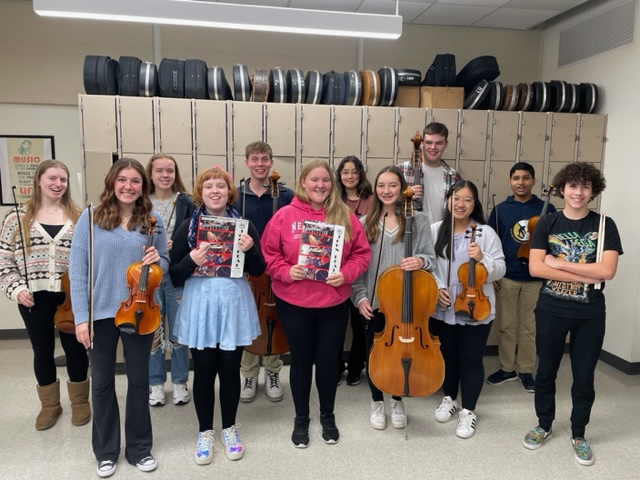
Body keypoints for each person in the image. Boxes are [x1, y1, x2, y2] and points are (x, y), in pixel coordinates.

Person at [261, 159, 370, 448]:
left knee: (326, 361)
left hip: (332, 303)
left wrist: (346, 274)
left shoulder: (345, 215)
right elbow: (268, 254)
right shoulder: (285, 215)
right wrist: (286, 271)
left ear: (331, 184)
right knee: (300, 361)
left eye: (324, 180)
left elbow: (362, 254)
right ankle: (301, 418)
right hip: (293, 301)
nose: (320, 185)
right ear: (303, 183)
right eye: (314, 180)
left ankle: (327, 415)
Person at [70, 158, 168, 478]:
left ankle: (139, 448)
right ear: (112, 182)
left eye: (135, 181)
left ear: (143, 186)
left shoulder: (152, 221)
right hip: (100, 314)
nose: (129, 186)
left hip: (139, 310)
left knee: (139, 381)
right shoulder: (90, 218)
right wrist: (81, 318)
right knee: (101, 382)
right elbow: (79, 270)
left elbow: (162, 267)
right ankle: (106, 451)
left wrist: (158, 261)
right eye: (122, 180)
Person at [522, 163, 622, 467]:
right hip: (551, 308)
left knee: (583, 376)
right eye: (573, 186)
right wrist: (586, 273)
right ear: (563, 188)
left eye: (585, 187)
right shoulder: (547, 223)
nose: (578, 192)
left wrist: (559, 264)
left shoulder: (605, 225)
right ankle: (544, 424)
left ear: (593, 191)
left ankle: (578, 434)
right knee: (546, 371)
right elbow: (535, 267)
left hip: (589, 313)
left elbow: (607, 271)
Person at [170, 166, 265, 465]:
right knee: (205, 371)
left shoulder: (245, 227)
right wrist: (190, 259)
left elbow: (260, 269)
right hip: (201, 305)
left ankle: (229, 428)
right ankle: (204, 431)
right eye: (208, 186)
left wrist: (250, 250)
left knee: (229, 369)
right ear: (201, 192)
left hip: (233, 305)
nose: (215, 191)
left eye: (220, 186)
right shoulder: (188, 226)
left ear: (229, 192)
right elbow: (173, 275)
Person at [0, 159, 90, 431]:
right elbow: (4, 261)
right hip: (33, 296)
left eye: (62, 179)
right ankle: (50, 405)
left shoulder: (79, 216)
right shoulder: (16, 218)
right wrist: (16, 289)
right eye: (52, 178)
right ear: (38, 180)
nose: (57, 184)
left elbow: (90, 257)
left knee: (76, 348)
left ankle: (80, 402)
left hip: (70, 295)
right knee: (42, 350)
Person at [351, 165, 438, 430]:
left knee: (403, 350)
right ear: (375, 190)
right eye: (381, 186)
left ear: (402, 189)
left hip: (407, 303)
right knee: (374, 352)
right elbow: (358, 266)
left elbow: (430, 259)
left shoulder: (418, 220)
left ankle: (397, 397)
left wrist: (419, 261)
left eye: (392, 185)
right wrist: (361, 297)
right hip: (375, 302)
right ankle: (377, 400)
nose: (386, 191)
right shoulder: (365, 222)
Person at [430, 180, 505, 439]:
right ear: (448, 200)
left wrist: (483, 258)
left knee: (471, 361)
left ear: (475, 204)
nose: (461, 204)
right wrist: (438, 286)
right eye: (456, 198)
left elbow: (501, 268)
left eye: (468, 199)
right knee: (447, 357)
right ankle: (449, 398)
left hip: (477, 306)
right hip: (443, 305)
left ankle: (469, 411)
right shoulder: (435, 230)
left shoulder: (485, 233)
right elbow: (427, 265)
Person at [486, 162, 557, 392]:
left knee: (529, 326)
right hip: (507, 276)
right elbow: (490, 244)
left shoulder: (547, 208)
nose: (521, 182)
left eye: (526, 178)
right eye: (516, 178)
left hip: (535, 278)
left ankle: (526, 370)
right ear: (509, 181)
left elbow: (554, 244)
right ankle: (507, 368)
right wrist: (493, 272)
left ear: (533, 181)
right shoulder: (500, 210)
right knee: (506, 325)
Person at [233, 141, 294, 403]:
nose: (260, 164)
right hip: (245, 269)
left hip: (275, 268)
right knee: (248, 319)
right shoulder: (236, 195)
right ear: (246, 162)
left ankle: (272, 371)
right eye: (255, 159)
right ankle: (248, 373)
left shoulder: (286, 194)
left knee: (273, 317)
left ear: (271, 163)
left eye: (265, 159)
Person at [146, 153, 196, 407]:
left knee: (178, 333)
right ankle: (155, 384)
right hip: (149, 277)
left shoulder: (187, 202)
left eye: (170, 171)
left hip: (176, 274)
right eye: (160, 171)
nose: (165, 175)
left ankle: (179, 382)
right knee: (153, 332)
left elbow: (198, 235)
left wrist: (177, 246)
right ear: (151, 174)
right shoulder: (141, 201)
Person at [334, 155, 373, 386]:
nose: (350, 176)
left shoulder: (370, 200)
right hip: (337, 271)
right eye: (345, 172)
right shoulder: (333, 199)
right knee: (337, 326)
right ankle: (337, 367)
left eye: (354, 172)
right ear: (339, 175)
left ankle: (357, 366)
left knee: (360, 324)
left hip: (361, 269)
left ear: (360, 174)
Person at [397, 122, 462, 224]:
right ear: (422, 143)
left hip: (440, 235)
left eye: (439, 143)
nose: (433, 147)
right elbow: (387, 205)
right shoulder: (401, 170)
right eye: (428, 142)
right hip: (410, 234)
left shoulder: (454, 176)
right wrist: (405, 197)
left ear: (446, 144)